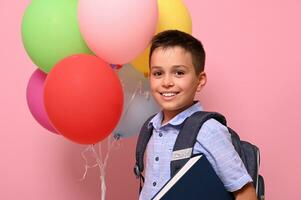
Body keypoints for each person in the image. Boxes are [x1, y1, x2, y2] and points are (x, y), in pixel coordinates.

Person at [138, 30, 257, 200]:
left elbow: (246, 194)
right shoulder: (150, 128)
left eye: (179, 72)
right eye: (158, 73)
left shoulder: (208, 131)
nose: (167, 82)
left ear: (200, 80)